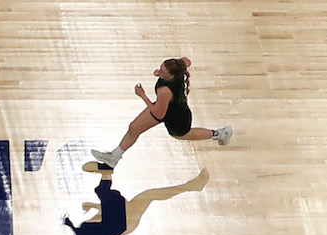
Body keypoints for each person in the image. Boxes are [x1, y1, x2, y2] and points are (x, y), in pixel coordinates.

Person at [90, 57, 232, 170]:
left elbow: (159, 114)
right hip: (170, 107)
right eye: (161, 68)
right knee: (134, 127)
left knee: (184, 135)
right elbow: (187, 61)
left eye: (163, 72)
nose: (159, 72)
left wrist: (142, 95)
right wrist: (161, 72)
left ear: (171, 76)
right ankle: (114, 158)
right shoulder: (180, 67)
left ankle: (219, 133)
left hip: (176, 118)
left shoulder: (165, 91)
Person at [62, 169, 127, 235]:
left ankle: (106, 174)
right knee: (101, 190)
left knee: (101, 191)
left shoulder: (88, 230)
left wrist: (69, 224)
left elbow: (80, 232)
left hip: (113, 226)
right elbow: (80, 232)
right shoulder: (88, 231)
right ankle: (106, 173)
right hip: (113, 226)